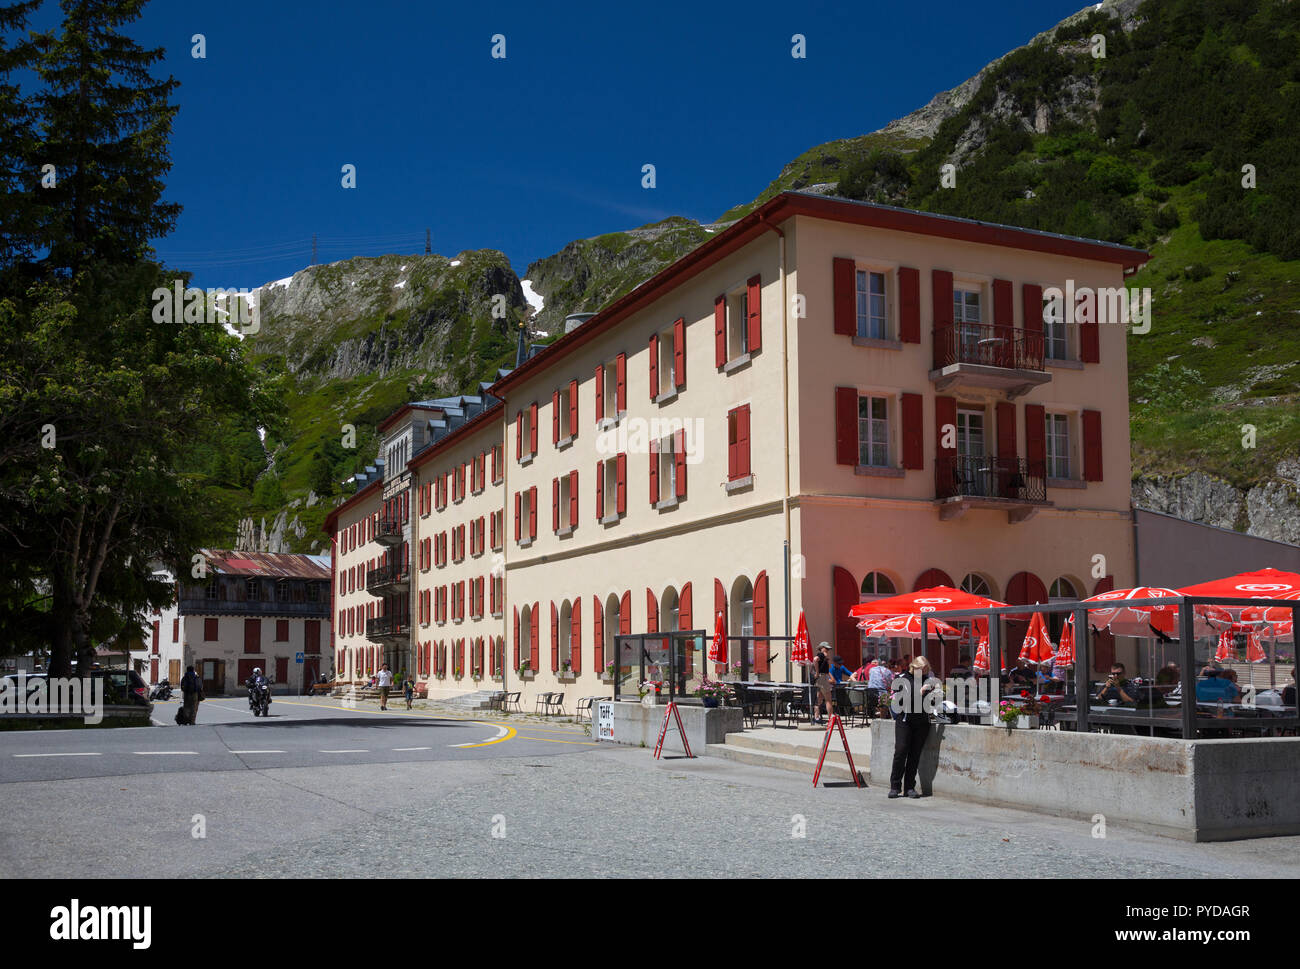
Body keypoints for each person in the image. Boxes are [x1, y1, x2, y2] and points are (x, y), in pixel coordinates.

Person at [890, 656, 937, 799]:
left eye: (926, 670)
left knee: (914, 755)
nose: (924, 672)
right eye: (922, 670)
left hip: (922, 721)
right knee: (901, 751)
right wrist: (920, 692)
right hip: (905, 720)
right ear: (914, 667)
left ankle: (909, 787)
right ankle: (895, 786)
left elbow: (931, 702)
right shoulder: (902, 678)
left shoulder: (927, 680)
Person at [811, 646, 835, 724]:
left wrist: (817, 673)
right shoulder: (821, 654)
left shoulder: (822, 656)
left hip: (819, 679)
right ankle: (831, 720)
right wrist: (817, 672)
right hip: (822, 678)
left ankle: (816, 718)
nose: (828, 651)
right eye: (827, 649)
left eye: (828, 649)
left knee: (819, 699)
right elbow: (815, 660)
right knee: (828, 700)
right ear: (822, 648)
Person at [867, 654, 894, 719]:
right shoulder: (888, 672)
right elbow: (889, 684)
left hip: (870, 695)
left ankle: (877, 713)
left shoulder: (871, 670)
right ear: (887, 663)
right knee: (888, 696)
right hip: (880, 695)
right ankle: (883, 718)